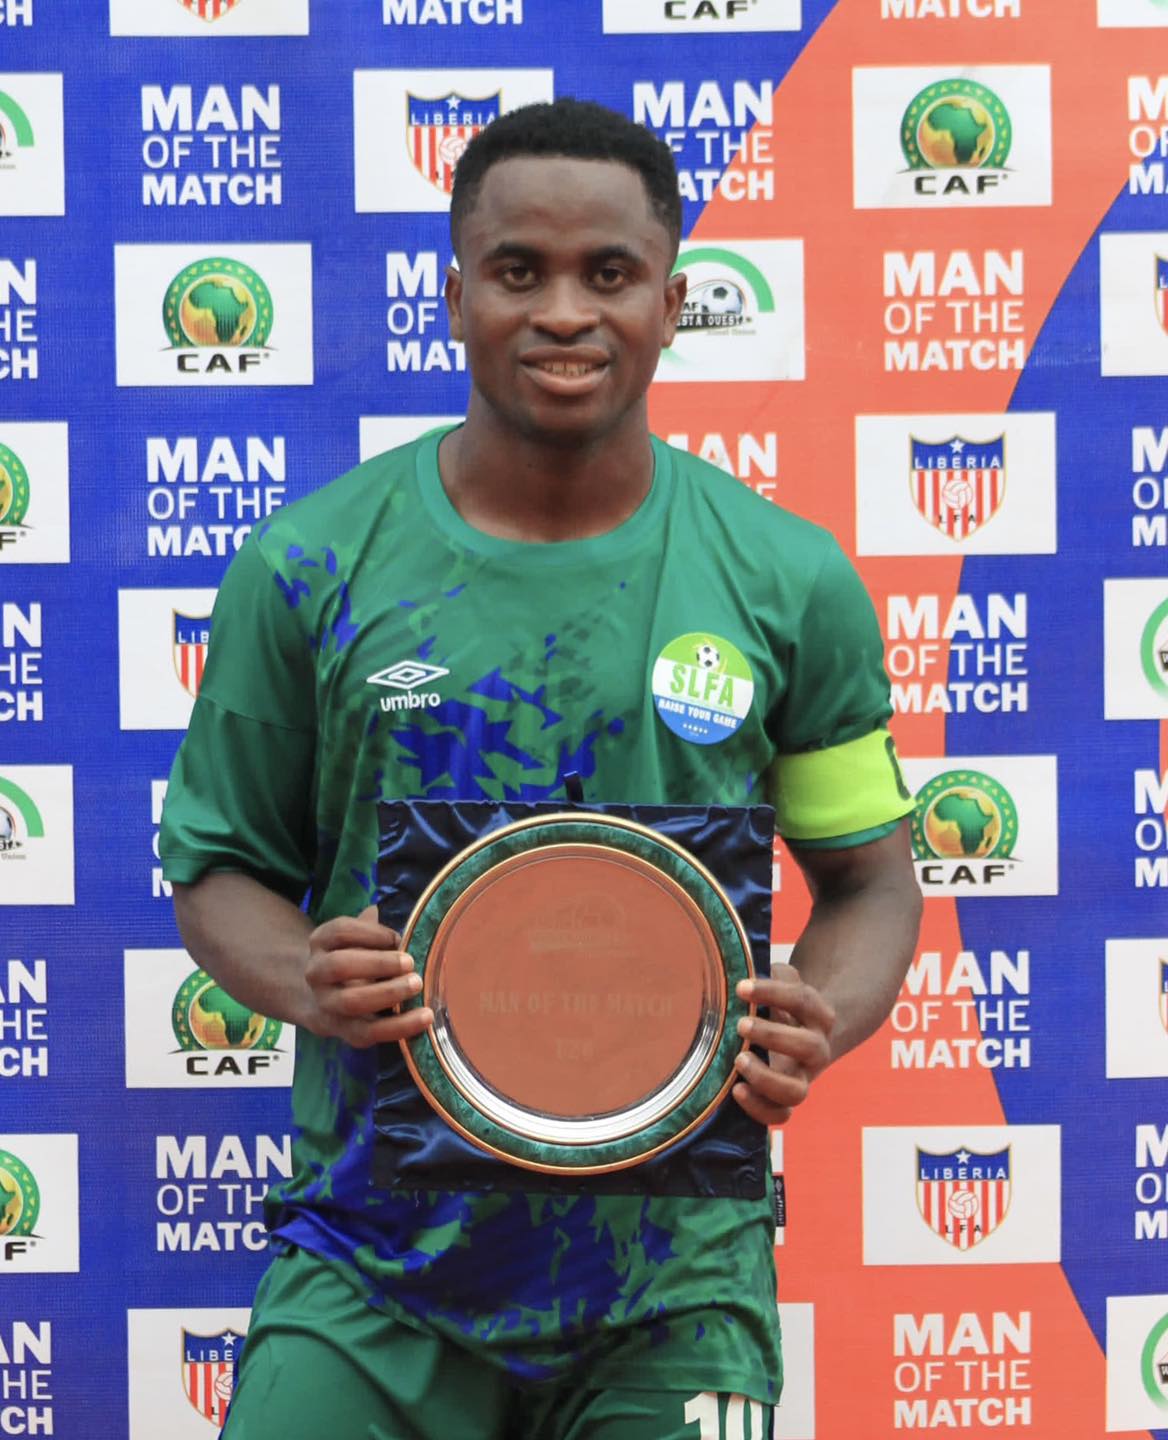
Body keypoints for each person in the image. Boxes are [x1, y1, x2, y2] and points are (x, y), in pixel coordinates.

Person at [161, 98, 922, 1440]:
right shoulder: (308, 566)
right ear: (454, 295)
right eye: (520, 271)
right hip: (373, 1259)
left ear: (674, 301)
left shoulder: (791, 579)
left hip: (675, 1274)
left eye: (609, 273)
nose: (565, 311)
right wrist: (310, 983)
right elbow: (219, 868)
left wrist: (821, 1011)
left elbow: (870, 882)